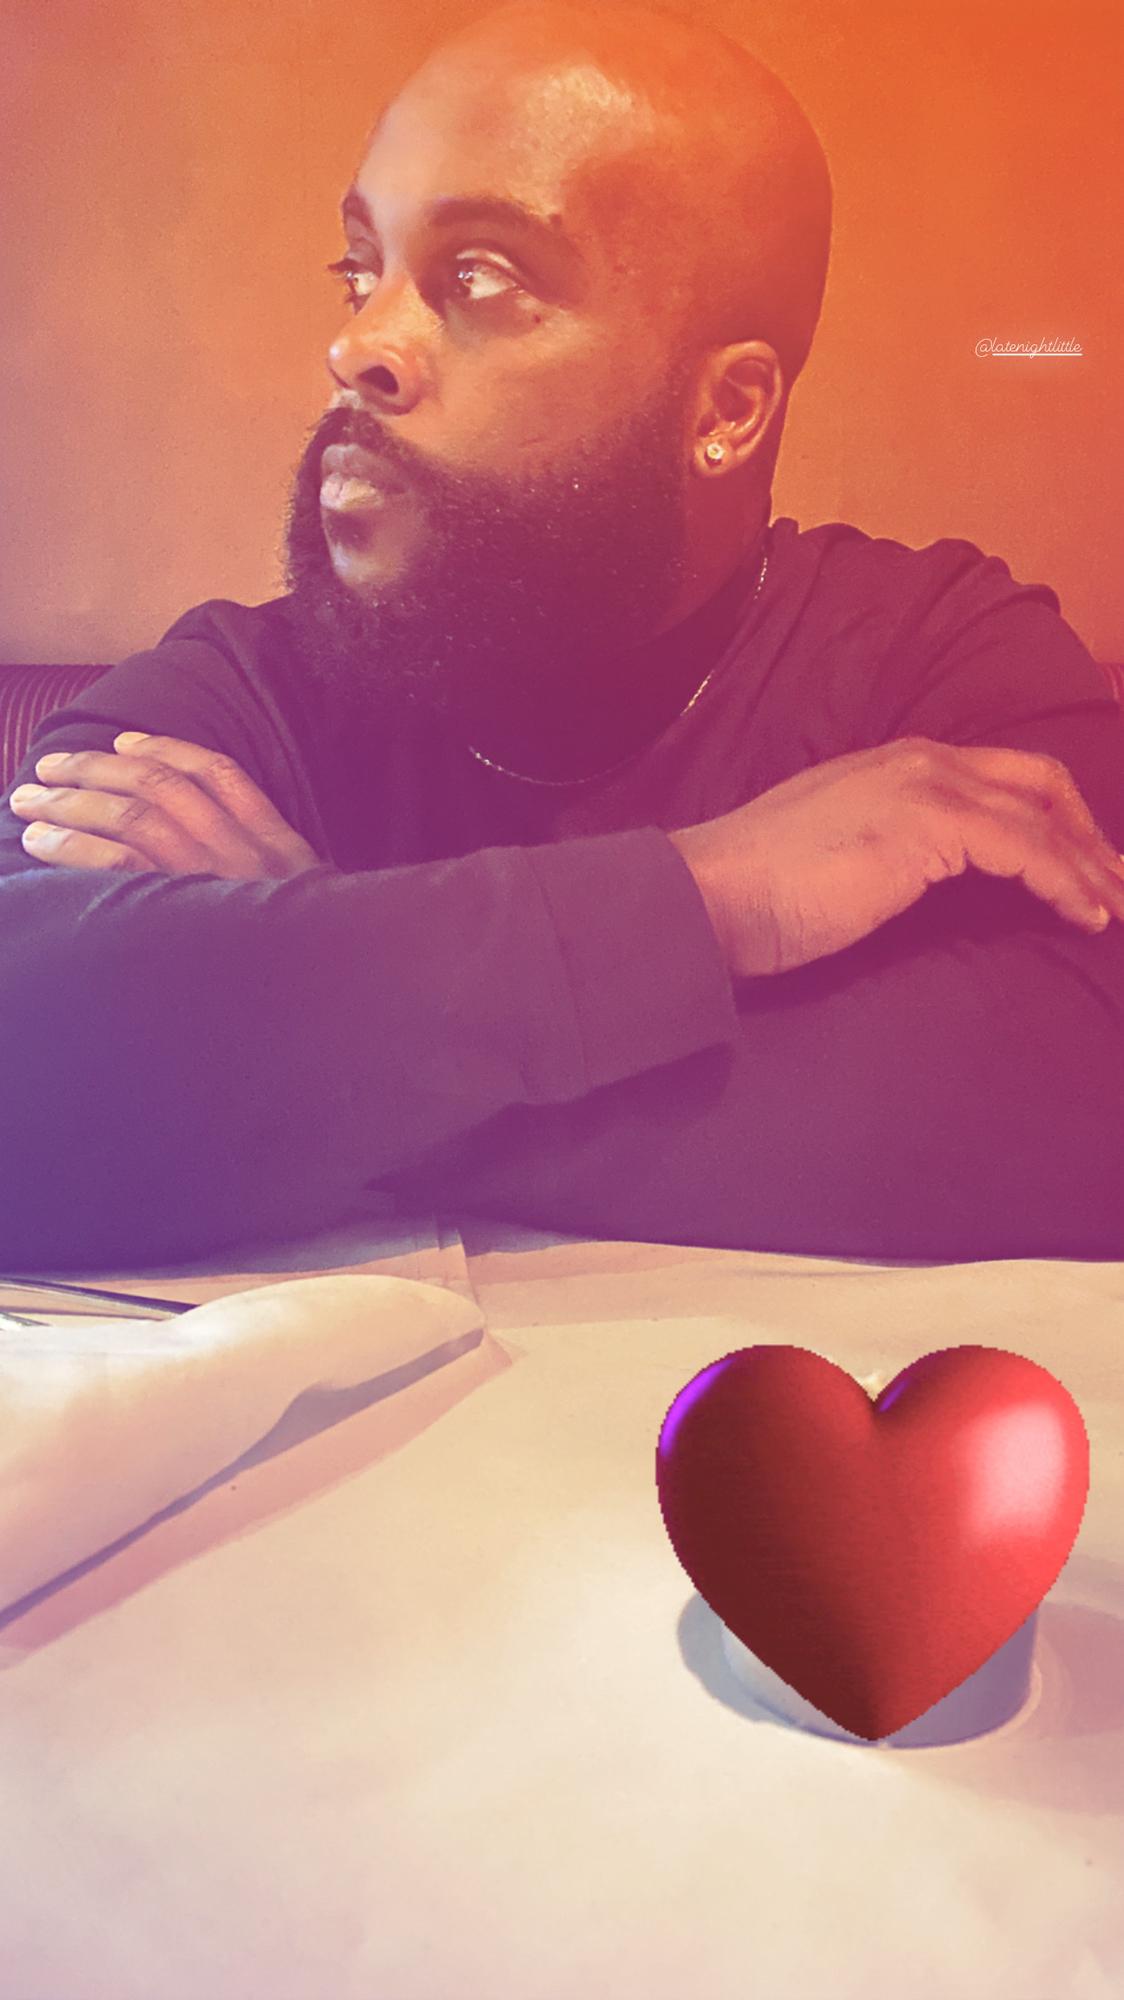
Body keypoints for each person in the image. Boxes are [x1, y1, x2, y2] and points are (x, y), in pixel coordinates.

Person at [1, 0, 1122, 1273]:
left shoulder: (927, 662)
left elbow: (1091, 1090)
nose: (357, 345)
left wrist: (319, 1012)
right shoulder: (242, 697)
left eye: (479, 278)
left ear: (725, 409)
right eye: (361, 270)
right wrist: (707, 896)